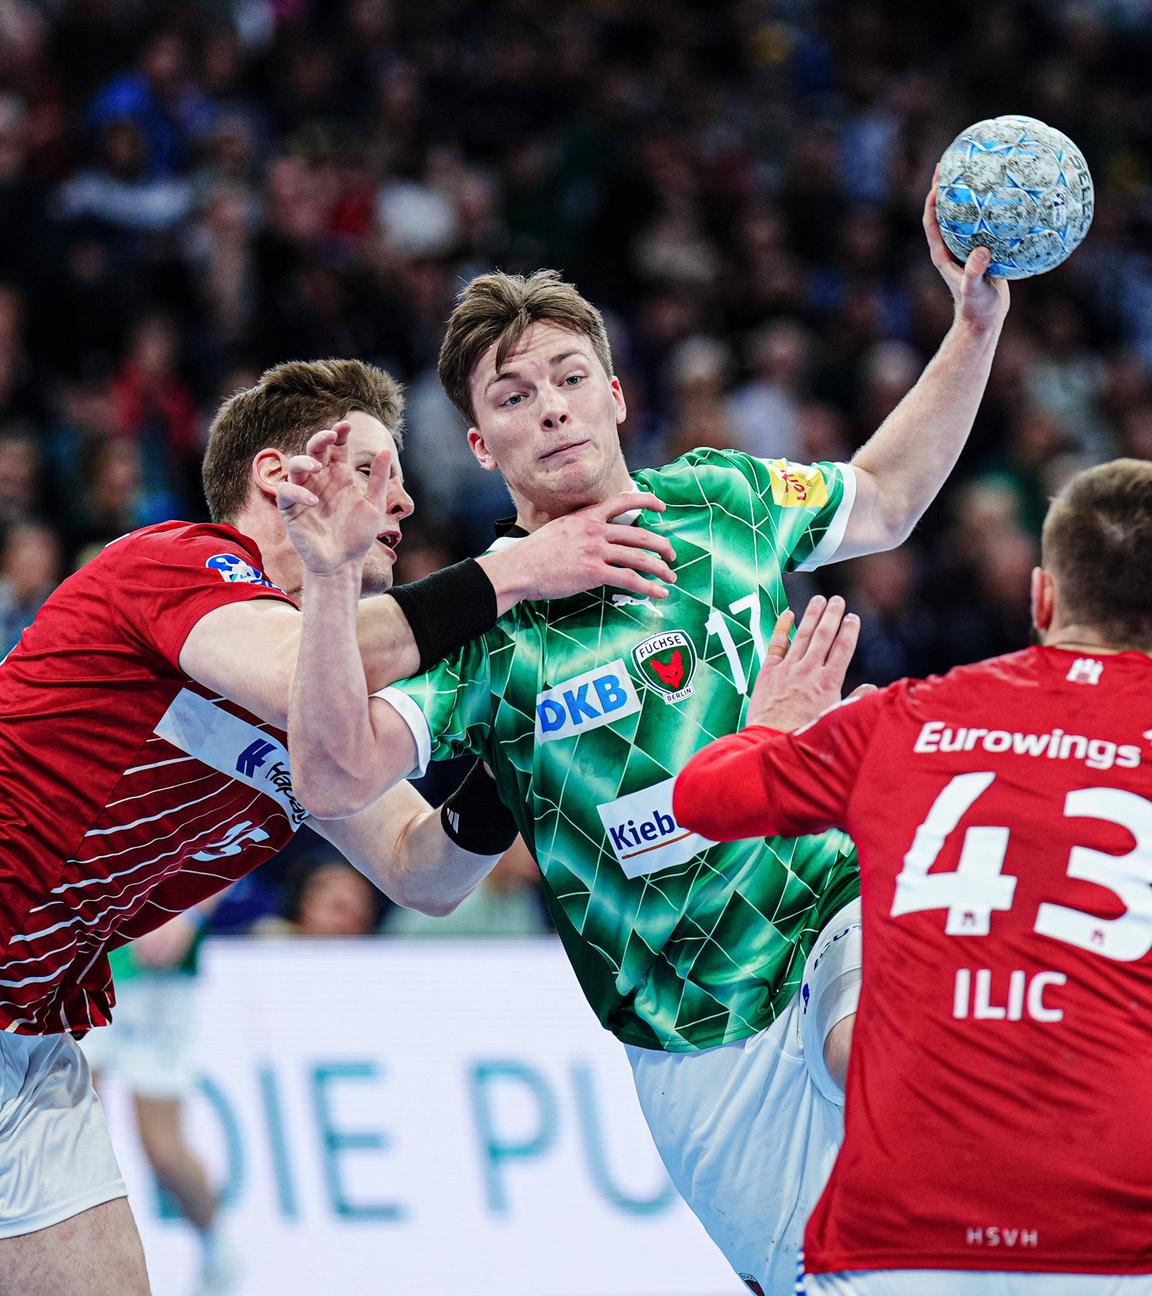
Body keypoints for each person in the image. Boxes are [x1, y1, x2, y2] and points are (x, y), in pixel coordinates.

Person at [278, 176, 1011, 1295]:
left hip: (832, 915)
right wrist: (329, 579)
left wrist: (973, 329)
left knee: (889, 1067)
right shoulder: (485, 635)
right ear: (480, 445)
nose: (554, 406)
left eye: (572, 379)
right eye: (515, 396)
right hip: (695, 1034)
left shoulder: (723, 500)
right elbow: (335, 773)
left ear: (618, 396)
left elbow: (886, 496)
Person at [0, 356, 674, 1296]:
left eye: (399, 479)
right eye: (371, 472)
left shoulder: (326, 715)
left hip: (28, 1030)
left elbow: (420, 871)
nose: (400, 503)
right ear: (280, 477)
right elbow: (294, 667)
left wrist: (510, 753)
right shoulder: (174, 563)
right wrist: (517, 571)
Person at [673, 459, 1152, 1296]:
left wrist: (775, 726)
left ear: (1042, 599)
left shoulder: (907, 716)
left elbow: (703, 798)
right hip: (1109, 1238)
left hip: (900, 1242)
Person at [81, 910, 237, 1296]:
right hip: (81, 953)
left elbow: (241, 847)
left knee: (163, 1149)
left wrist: (193, 914)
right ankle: (78, 1266)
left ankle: (217, 1247)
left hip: (159, 970)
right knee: (73, 1134)